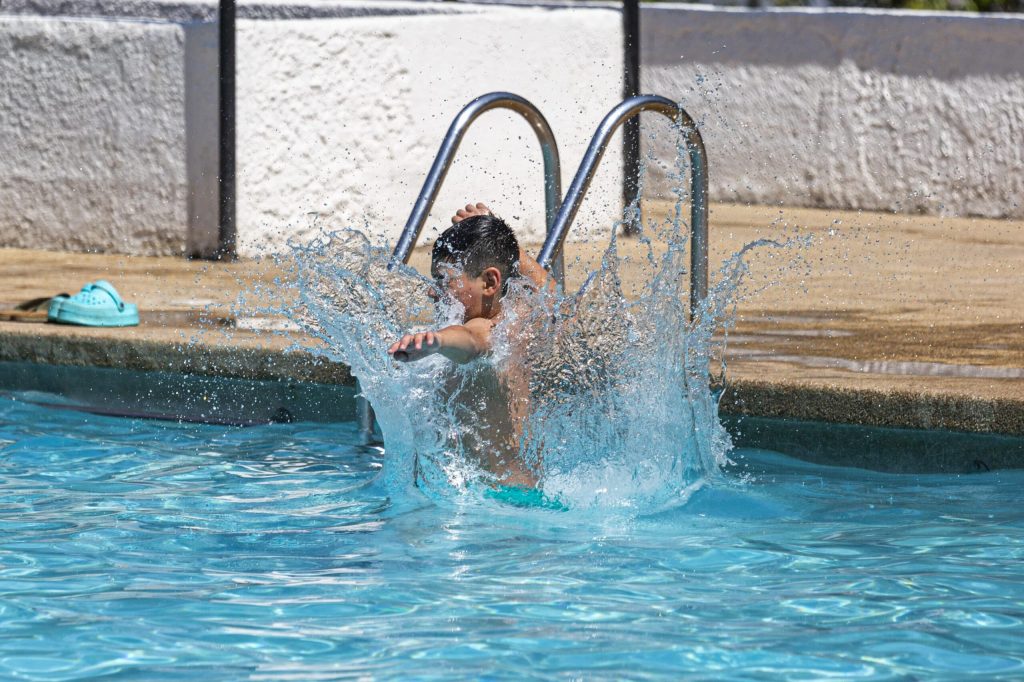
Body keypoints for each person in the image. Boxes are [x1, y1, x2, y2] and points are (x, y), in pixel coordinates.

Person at [387, 203, 552, 494]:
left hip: (493, 503)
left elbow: (472, 342)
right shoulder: (521, 319)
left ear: (489, 281)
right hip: (523, 490)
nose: (431, 290)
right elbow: (552, 296)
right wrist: (511, 251)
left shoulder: (486, 328)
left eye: (445, 279)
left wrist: (437, 341)